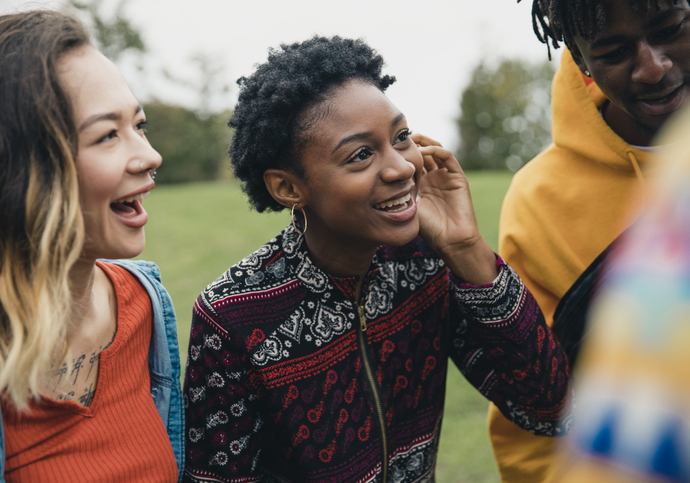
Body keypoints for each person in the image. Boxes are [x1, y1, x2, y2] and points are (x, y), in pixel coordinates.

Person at [182, 36, 571, 483]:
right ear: (289, 188)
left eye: (401, 137)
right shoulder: (232, 315)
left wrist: (466, 249)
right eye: (361, 154)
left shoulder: (427, 264)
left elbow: (550, 409)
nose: (402, 168)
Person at [0, 11, 184, 482]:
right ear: (19, 170)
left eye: (139, 125)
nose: (150, 156)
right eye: (108, 134)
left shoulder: (144, 305)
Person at [489, 0, 690, 481]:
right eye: (615, 51)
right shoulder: (539, 202)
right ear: (582, 63)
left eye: (671, 29)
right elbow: (534, 416)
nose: (653, 67)